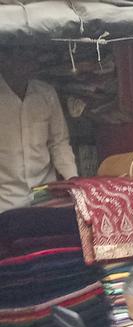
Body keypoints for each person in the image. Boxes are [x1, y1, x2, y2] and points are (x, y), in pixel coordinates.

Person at [0, 48, 77, 212]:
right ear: (4, 59)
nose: (28, 63)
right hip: (5, 200)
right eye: (21, 56)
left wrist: (73, 180)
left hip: (43, 194)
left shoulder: (46, 93)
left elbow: (59, 142)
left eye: (30, 57)